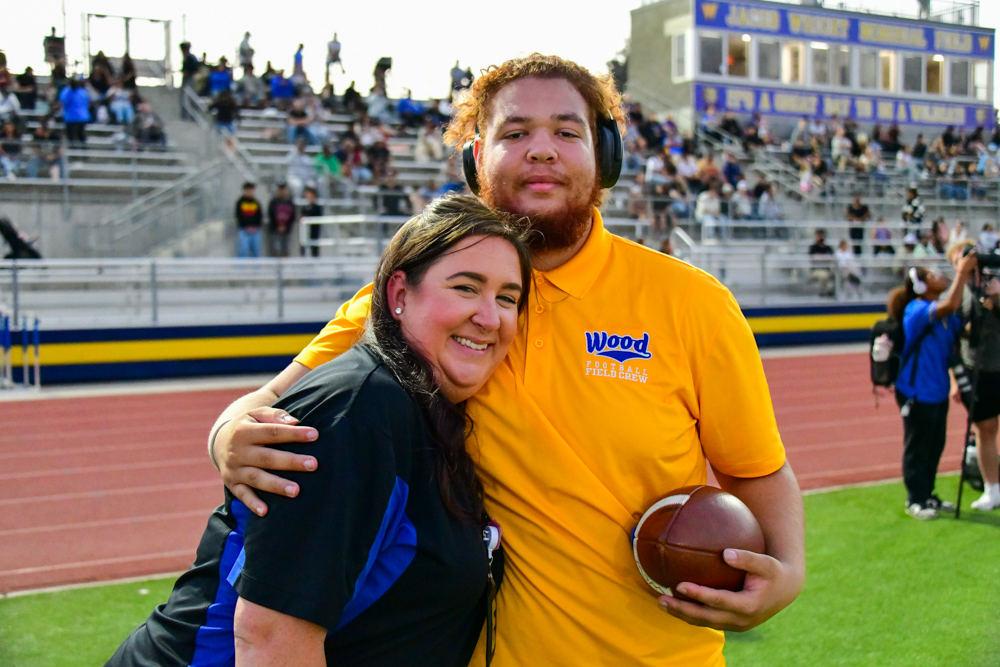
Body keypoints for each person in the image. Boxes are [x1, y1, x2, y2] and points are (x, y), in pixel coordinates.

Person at [208, 53, 804, 665]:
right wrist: (226, 436)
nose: (541, 150)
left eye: (567, 132)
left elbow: (754, 467)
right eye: (515, 133)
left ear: (605, 155)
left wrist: (787, 572)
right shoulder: (424, 298)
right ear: (476, 158)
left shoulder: (693, 303)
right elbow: (271, 401)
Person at [106, 195, 529, 666]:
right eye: (466, 288)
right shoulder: (358, 411)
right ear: (399, 295)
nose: (489, 317)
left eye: (507, 299)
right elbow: (270, 640)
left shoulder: (427, 412)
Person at [891, 256, 978, 519]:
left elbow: (964, 329)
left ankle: (928, 494)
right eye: (931, 275)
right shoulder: (917, 309)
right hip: (917, 389)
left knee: (935, 445)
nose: (939, 276)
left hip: (938, 389)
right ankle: (915, 499)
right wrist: (962, 272)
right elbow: (951, 304)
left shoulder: (945, 316)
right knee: (917, 446)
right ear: (920, 286)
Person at [947, 243, 1000, 511]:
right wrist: (954, 381)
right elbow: (949, 339)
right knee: (985, 429)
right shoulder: (958, 292)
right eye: (961, 260)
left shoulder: (995, 283)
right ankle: (993, 489)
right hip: (977, 368)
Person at [267, 181, 296, 257]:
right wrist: (278, 226)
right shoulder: (274, 202)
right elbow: (271, 215)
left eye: (283, 189)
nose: (282, 191)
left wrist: (285, 226)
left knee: (285, 250)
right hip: (275, 229)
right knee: (275, 250)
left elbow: (292, 215)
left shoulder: (289, 202)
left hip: (287, 230)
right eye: (280, 189)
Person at [235, 181, 263, 258]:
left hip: (255, 230)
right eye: (248, 190)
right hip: (244, 230)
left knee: (256, 252)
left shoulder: (256, 202)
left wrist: (255, 227)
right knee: (243, 251)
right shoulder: (240, 202)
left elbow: (259, 216)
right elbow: (239, 216)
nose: (250, 192)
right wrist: (246, 227)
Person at [299, 185, 324, 258]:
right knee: (303, 247)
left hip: (314, 232)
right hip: (305, 232)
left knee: (314, 249)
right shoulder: (305, 207)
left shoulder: (317, 207)